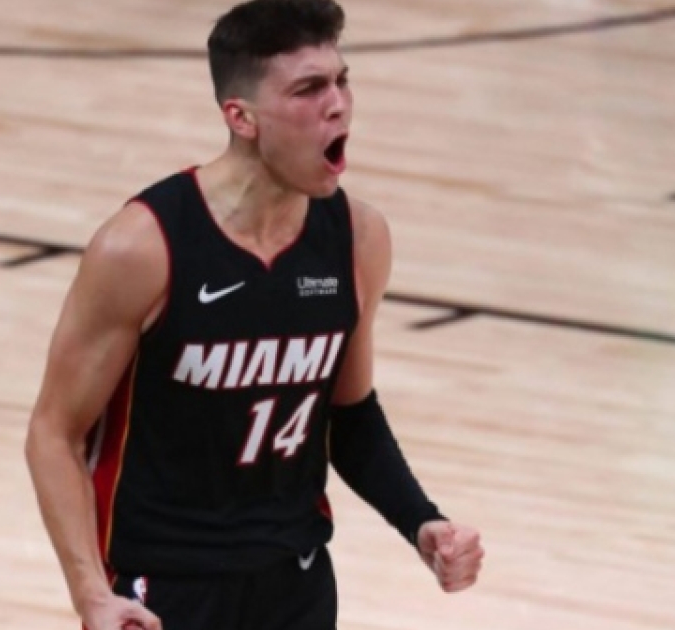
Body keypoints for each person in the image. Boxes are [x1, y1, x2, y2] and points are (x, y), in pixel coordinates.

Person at [25, 1, 484, 628]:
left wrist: (421, 521)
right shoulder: (142, 247)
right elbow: (54, 432)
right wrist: (89, 593)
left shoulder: (358, 238)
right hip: (163, 585)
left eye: (342, 81)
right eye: (309, 89)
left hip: (295, 580)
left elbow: (348, 416)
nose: (338, 105)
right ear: (241, 117)